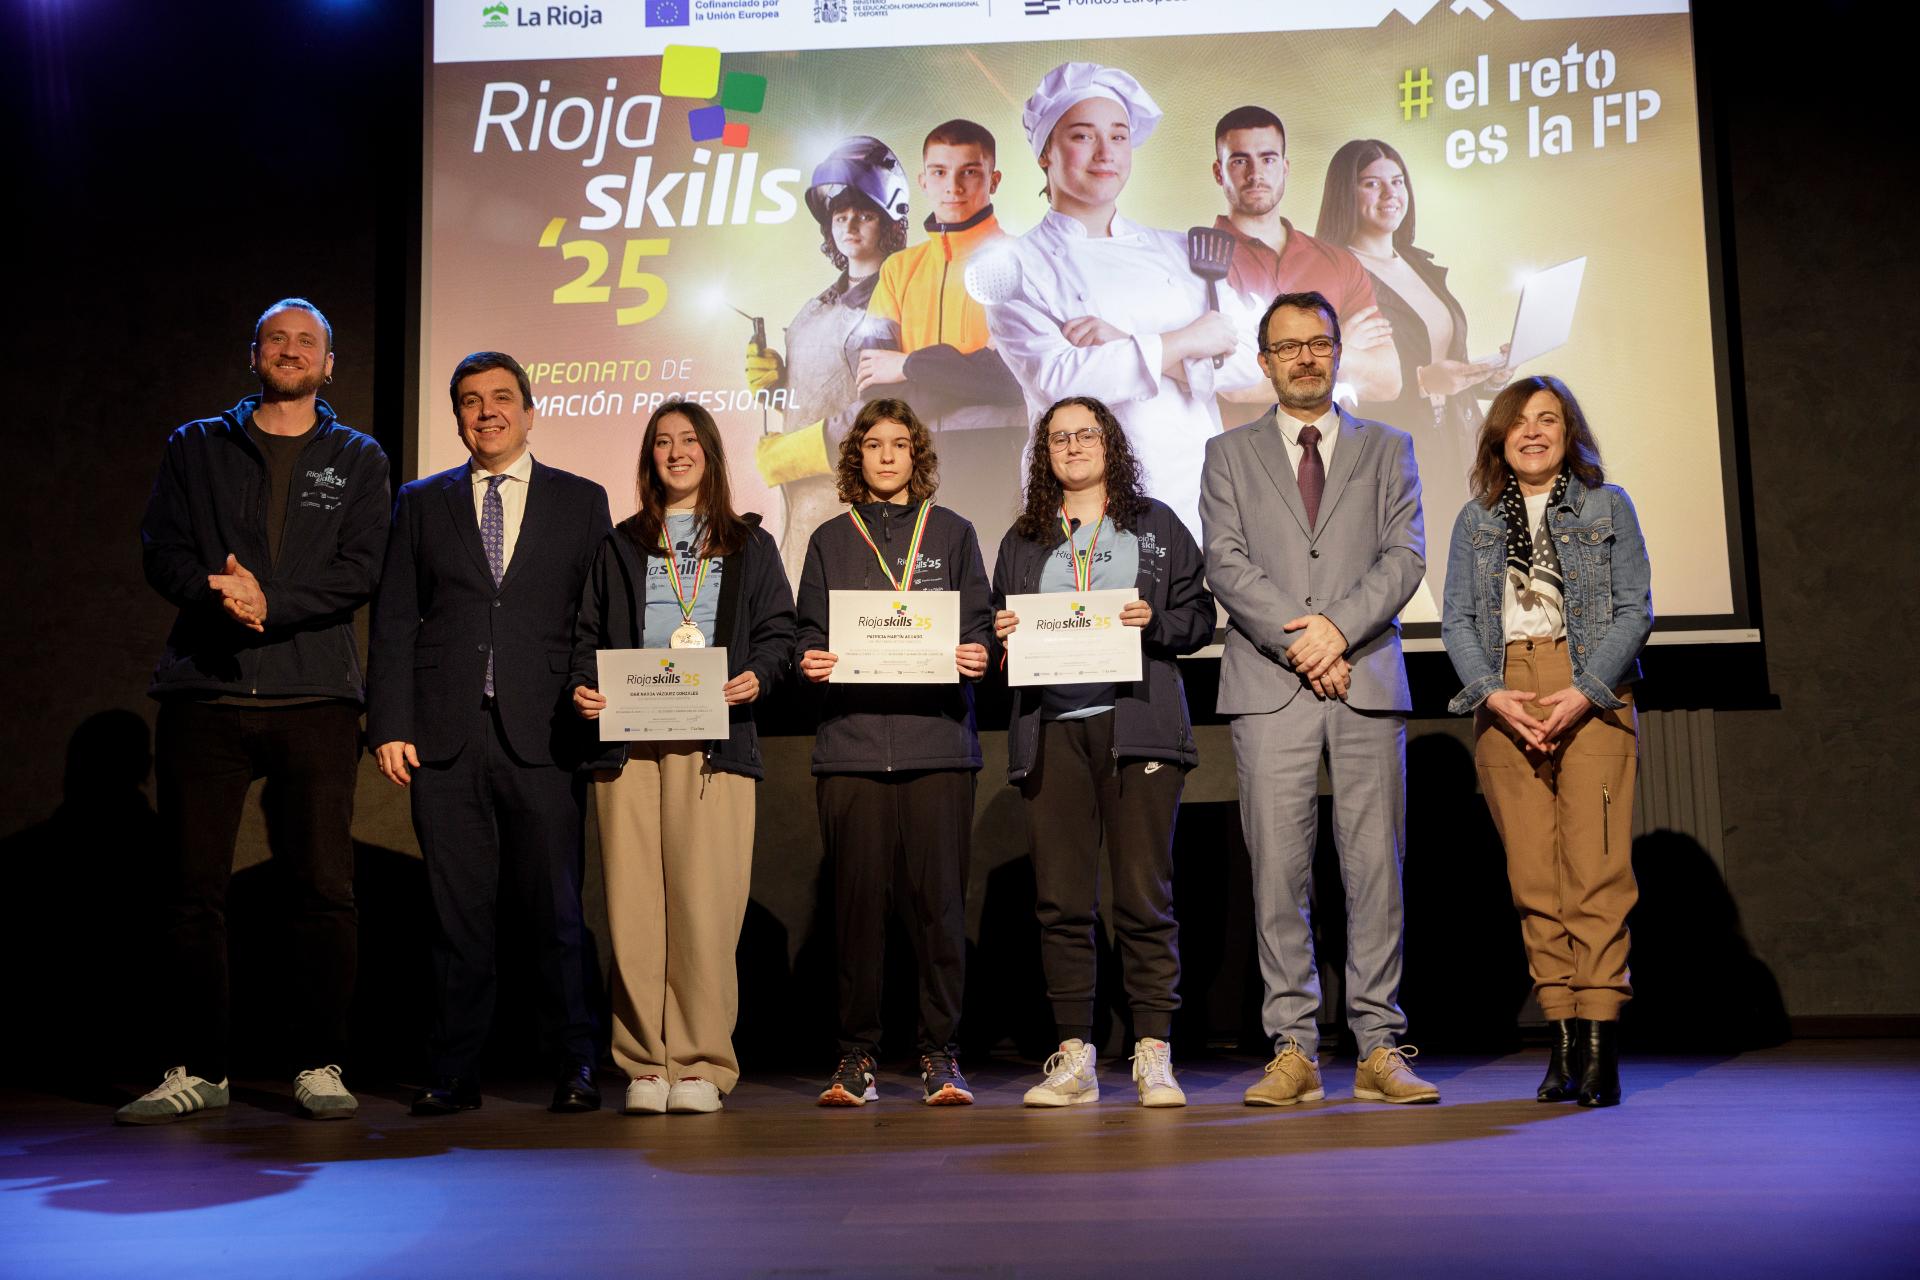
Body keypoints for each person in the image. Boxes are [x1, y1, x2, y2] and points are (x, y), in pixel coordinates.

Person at [125, 298, 389, 1124]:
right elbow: (161, 550)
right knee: (190, 889)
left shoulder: (359, 457)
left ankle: (318, 1062)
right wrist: (218, 594)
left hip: (315, 695)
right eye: (278, 338)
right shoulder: (195, 444)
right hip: (205, 690)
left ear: (329, 365)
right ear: (254, 354)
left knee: (322, 888)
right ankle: (197, 1068)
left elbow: (362, 570)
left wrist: (270, 602)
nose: (291, 350)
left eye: (307, 341)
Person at [1199, 290, 1439, 1108]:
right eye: (1288, 346)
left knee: (1375, 872)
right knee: (1278, 872)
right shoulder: (1227, 454)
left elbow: (1405, 557)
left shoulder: (1390, 446)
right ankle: (1293, 1048)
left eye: (1319, 343)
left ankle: (1379, 1046)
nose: (1305, 357)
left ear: (1336, 352)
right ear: (1264, 362)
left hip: (1364, 677)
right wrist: (1303, 643)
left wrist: (1336, 631)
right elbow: (1226, 563)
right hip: (1271, 686)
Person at [368, 351, 612, 1117]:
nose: (487, 412)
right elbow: (395, 618)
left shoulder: (582, 500)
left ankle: (575, 1064)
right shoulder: (420, 501)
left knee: (556, 912)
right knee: (456, 915)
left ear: (531, 412)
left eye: (502, 398)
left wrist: (590, 689)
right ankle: (453, 1071)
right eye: (471, 401)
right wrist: (389, 724)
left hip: (546, 730)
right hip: (445, 735)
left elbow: (597, 616)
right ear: (457, 418)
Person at [570, 400, 796, 1116]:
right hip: (630, 743)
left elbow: (779, 633)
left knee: (705, 907)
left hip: (715, 744)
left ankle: (699, 1063)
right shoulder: (621, 544)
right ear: (649, 458)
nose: (676, 452)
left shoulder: (749, 544)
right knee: (634, 907)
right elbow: (585, 636)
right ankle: (644, 1062)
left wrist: (759, 674)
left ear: (711, 453)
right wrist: (583, 687)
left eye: (689, 440)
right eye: (663, 442)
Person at [989, 397, 1215, 1108]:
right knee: (1061, 902)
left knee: (1144, 898)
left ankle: (1153, 1050)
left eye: (1086, 433)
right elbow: (1001, 626)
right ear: (1044, 454)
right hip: (1052, 730)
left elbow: (1199, 617)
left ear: (1109, 442)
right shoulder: (1025, 537)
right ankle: (1074, 1055)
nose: (1073, 445)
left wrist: (1157, 620)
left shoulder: (1156, 524)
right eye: (1058, 437)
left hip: (1137, 727)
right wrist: (1001, 634)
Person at [1440, 375, 1652, 1108]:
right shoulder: (1476, 520)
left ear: (1569, 433)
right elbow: (1458, 621)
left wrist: (1586, 688)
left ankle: (1600, 1048)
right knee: (1534, 880)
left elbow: (1634, 610)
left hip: (1589, 686)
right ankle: (1562, 1044)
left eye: (1548, 420)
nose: (1532, 432)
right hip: (1505, 695)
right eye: (1519, 422)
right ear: (1499, 437)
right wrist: (1491, 692)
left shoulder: (1606, 505)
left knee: (1596, 876)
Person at [794, 398, 992, 1107]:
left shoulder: (954, 532)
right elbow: (806, 633)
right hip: (851, 749)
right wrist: (809, 658)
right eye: (873, 444)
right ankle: (857, 1056)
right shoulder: (829, 538)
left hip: (938, 744)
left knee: (940, 909)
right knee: (856, 913)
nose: (886, 455)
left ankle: (941, 1053)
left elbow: (979, 626)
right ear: (857, 456)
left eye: (899, 444)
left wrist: (979, 651)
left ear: (916, 455)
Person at [982, 61, 1264, 540]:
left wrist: (1125, 342)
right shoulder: (1015, 266)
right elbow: (1062, 380)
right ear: (1045, 152)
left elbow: (1251, 365)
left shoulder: (1183, 252)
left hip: (1194, 497)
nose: (1105, 152)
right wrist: (1186, 341)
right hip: (1082, 506)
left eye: (1118, 136)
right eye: (1082, 136)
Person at [1315, 137, 1508, 572]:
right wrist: (1420, 382)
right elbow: (1330, 380)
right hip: (1393, 460)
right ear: (1346, 192)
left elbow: (1442, 355)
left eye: (1398, 181)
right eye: (1372, 183)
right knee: (1411, 584)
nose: (1390, 193)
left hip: (1457, 449)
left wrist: (1488, 373)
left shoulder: (1417, 263)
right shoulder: (1333, 272)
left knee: (1472, 583)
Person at [853, 118, 1030, 538]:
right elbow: (874, 389)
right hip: (912, 464)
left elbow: (1010, 379)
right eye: (939, 172)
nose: (953, 186)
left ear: (994, 180)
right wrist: (968, 373)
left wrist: (909, 365)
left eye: (969, 172)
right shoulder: (897, 270)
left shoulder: (1023, 259)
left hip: (997, 458)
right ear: (923, 181)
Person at [749, 135, 912, 587]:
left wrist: (799, 453)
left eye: (865, 215)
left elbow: (888, 409)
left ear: (889, 222)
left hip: (859, 509)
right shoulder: (818, 305)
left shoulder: (892, 301)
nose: (850, 226)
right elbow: (824, 391)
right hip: (802, 515)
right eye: (840, 216)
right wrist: (777, 385)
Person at [1207, 107, 1400, 426]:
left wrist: (1315, 356)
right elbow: (1236, 385)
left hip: (1333, 453)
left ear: (1285, 167)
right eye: (1240, 161)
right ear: (1219, 172)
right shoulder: (1197, 263)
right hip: (1241, 453)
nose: (1255, 174)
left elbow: (1388, 380)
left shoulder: (1339, 263)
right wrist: (1337, 348)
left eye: (1268, 159)